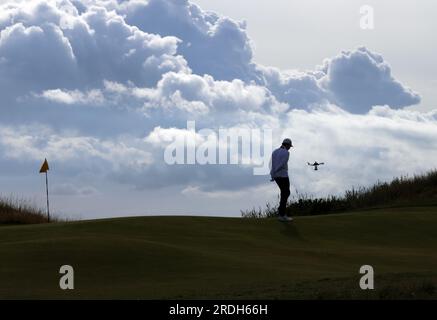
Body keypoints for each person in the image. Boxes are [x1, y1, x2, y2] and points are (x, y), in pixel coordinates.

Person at [270, 138, 293, 222]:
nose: (290, 148)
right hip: (282, 175)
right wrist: (275, 171)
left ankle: (281, 212)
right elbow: (282, 163)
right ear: (287, 145)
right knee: (286, 192)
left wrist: (272, 174)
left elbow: (272, 164)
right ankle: (282, 214)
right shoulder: (286, 153)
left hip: (276, 176)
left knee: (285, 193)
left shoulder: (275, 151)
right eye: (289, 146)